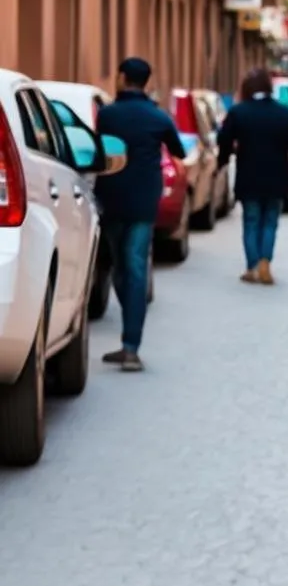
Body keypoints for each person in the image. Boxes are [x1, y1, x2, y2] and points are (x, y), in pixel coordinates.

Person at [95, 57, 186, 372]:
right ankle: (131, 346)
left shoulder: (107, 115)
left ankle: (129, 343)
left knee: (121, 267)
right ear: (147, 81)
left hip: (113, 199)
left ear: (121, 78)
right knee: (134, 268)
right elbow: (179, 151)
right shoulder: (157, 117)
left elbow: (98, 151)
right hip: (144, 204)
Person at [216, 67, 288, 285]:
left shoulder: (239, 112)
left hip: (249, 177)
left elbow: (224, 140)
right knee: (270, 222)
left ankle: (252, 266)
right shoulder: (282, 112)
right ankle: (265, 260)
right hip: (277, 178)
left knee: (251, 221)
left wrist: (222, 162)